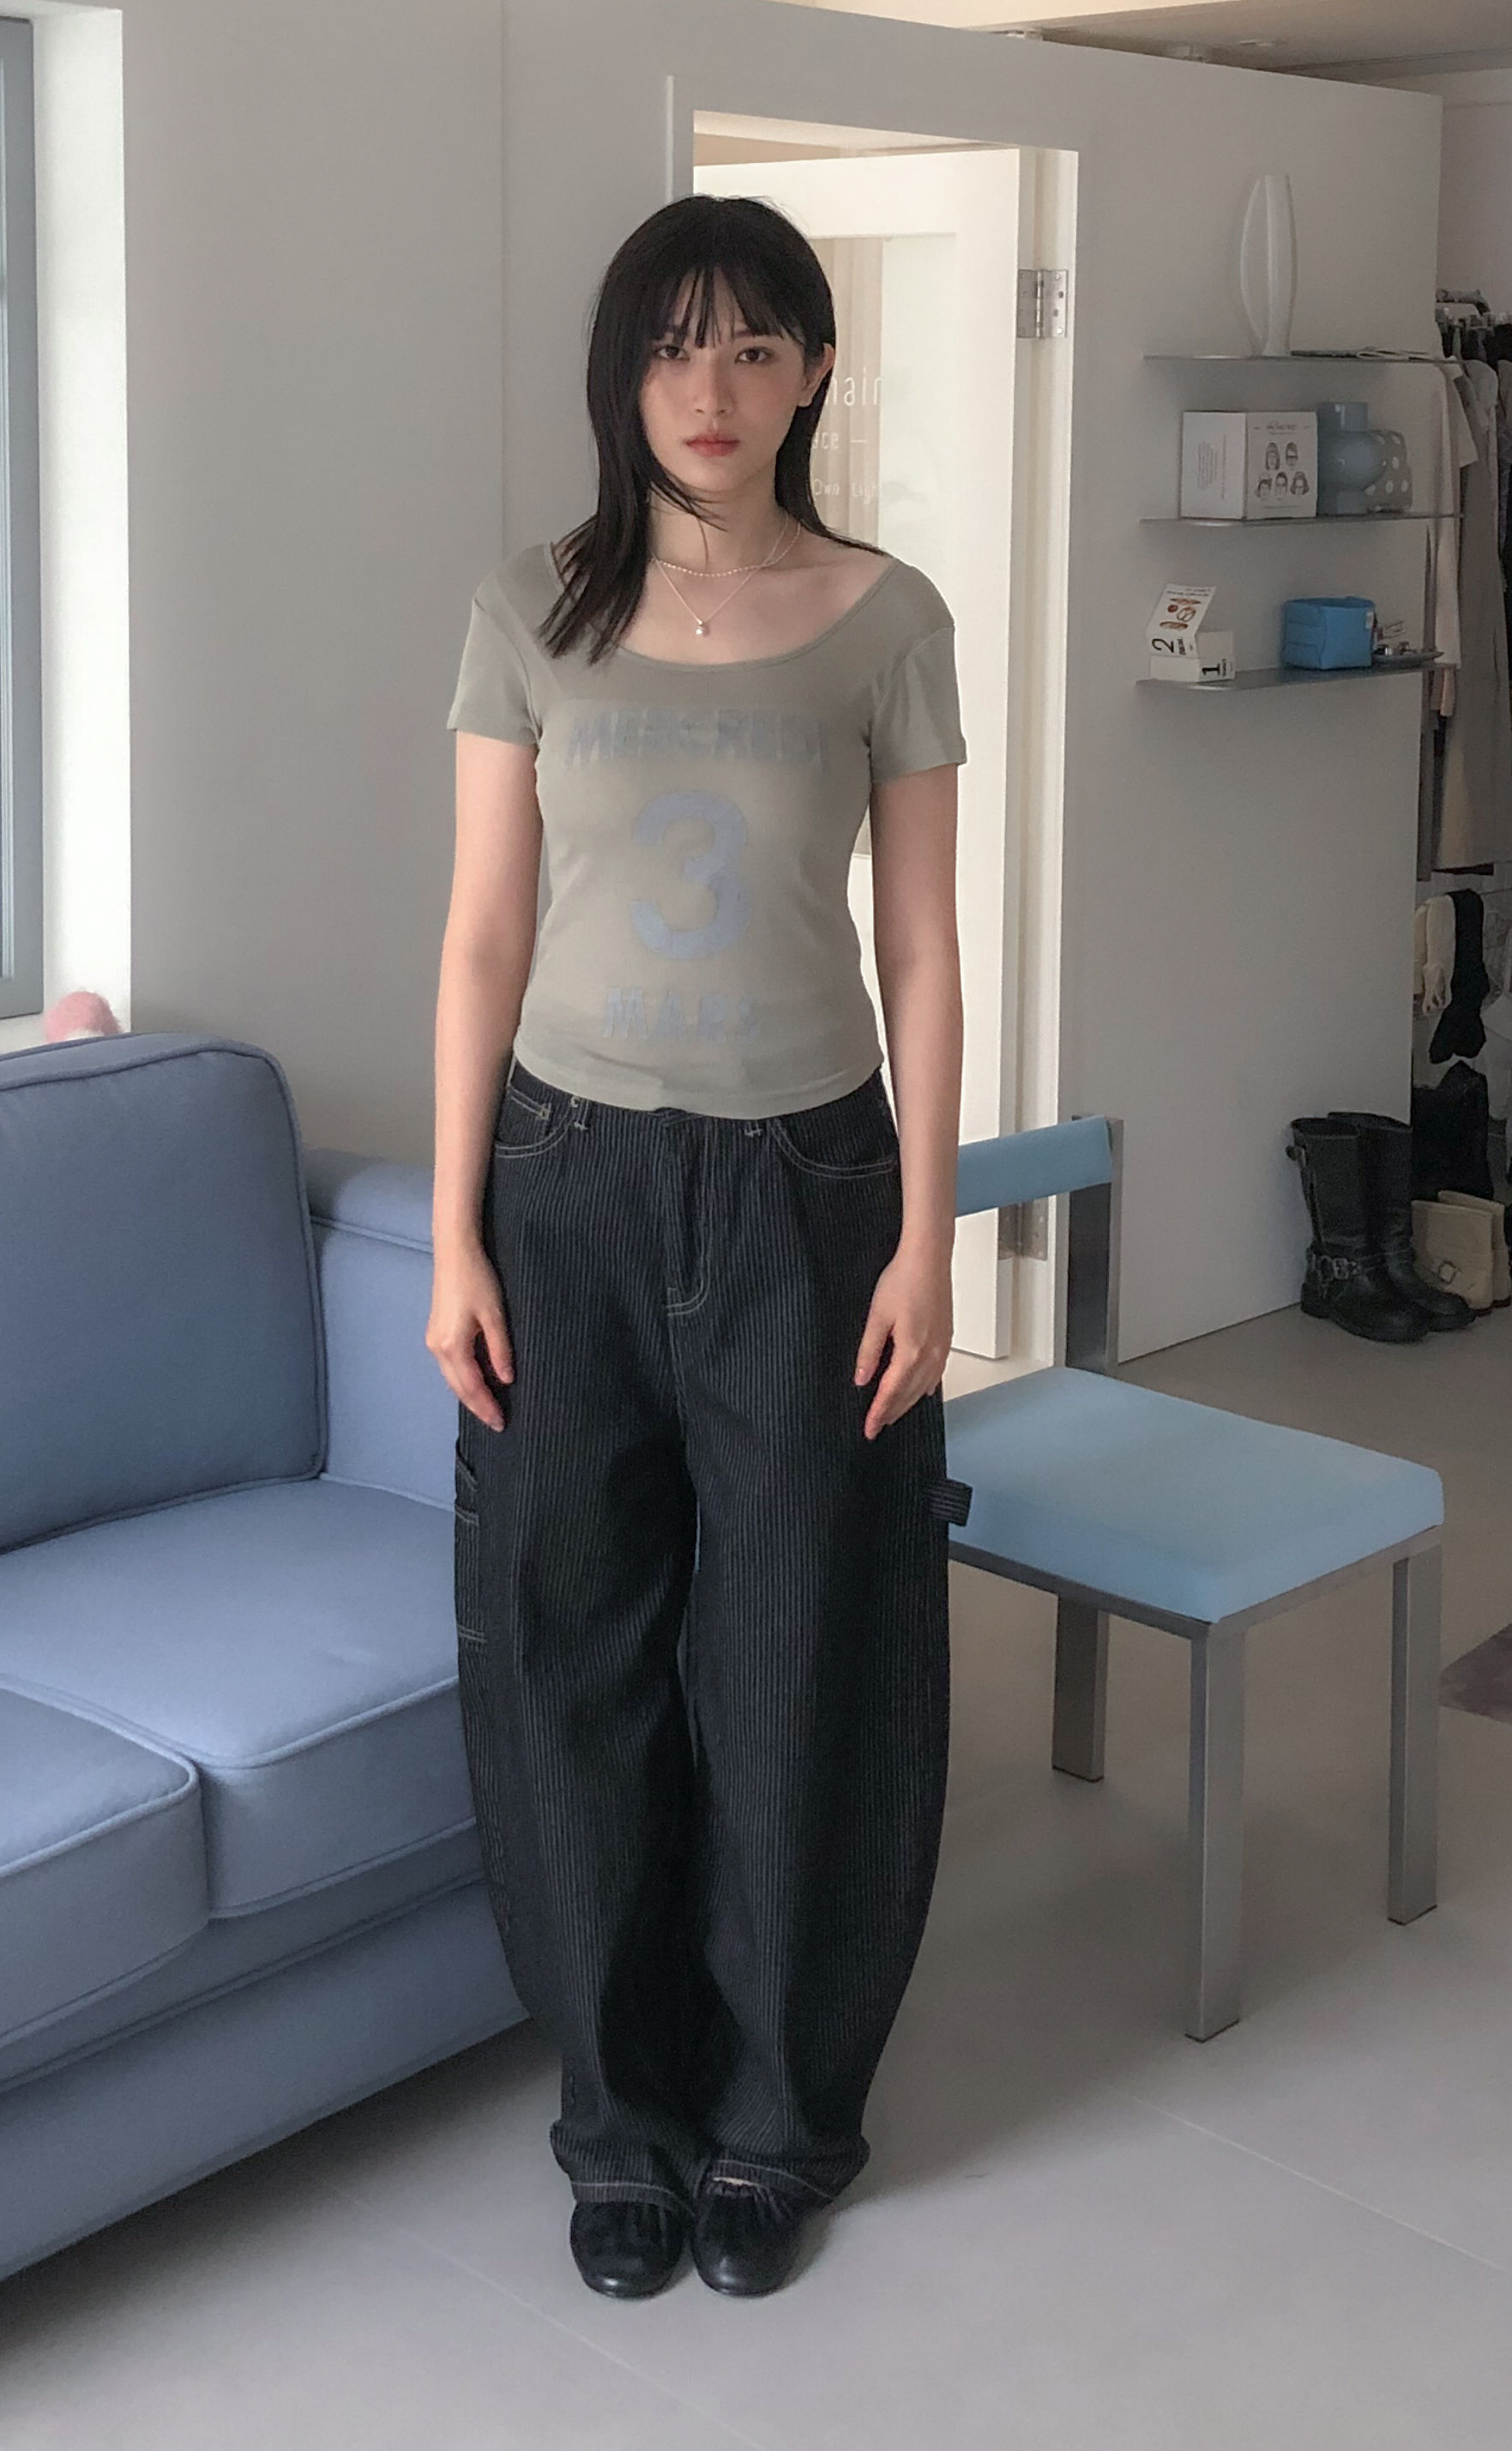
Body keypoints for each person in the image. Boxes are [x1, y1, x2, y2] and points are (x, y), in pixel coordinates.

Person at [429, 193, 966, 2308]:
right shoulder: (528, 609)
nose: (711, 389)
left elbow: (923, 950)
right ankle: (618, 2120)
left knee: (797, 1654)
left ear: (816, 369)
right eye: (671, 348)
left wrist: (926, 1236)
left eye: (753, 346)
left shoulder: (887, 618)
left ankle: (778, 2119)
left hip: (809, 1191)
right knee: (569, 1652)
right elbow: (483, 937)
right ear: (622, 376)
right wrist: (453, 1234)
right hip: (562, 1184)